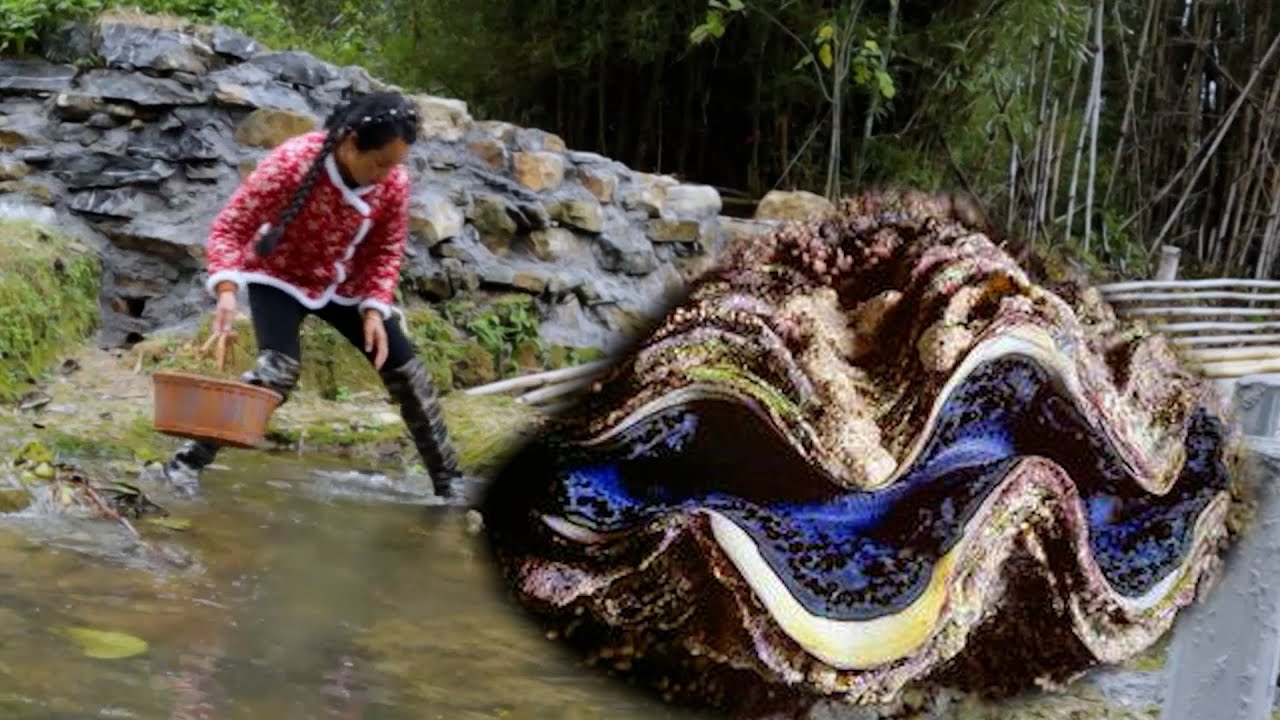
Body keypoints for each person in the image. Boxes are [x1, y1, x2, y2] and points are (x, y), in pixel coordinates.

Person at [160, 91, 470, 502]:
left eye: (395, 164)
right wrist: (227, 290)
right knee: (277, 372)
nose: (387, 174)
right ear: (349, 142)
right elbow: (230, 228)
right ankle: (184, 463)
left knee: (407, 373)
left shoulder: (392, 181)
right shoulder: (292, 163)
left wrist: (375, 309)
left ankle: (449, 482)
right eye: (379, 163)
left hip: (348, 288)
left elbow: (387, 248)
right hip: (280, 277)